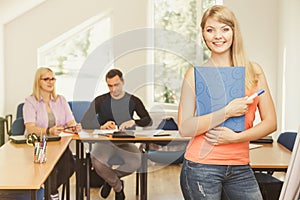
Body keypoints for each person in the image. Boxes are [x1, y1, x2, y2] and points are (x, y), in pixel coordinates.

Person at [178, 5, 276, 200]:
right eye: (210, 30)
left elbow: (271, 123)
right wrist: (227, 111)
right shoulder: (194, 75)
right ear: (203, 35)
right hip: (200, 167)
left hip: (240, 166)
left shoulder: (253, 71)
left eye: (225, 28)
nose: (218, 36)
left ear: (234, 32)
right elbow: (185, 127)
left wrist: (236, 138)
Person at [81, 68, 152, 200]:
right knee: (97, 162)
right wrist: (101, 126)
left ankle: (110, 180)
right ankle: (118, 187)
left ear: (123, 82)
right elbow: (85, 122)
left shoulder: (133, 100)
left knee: (136, 161)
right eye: (110, 86)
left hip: (125, 142)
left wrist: (133, 121)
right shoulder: (100, 100)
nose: (113, 89)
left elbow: (147, 120)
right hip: (104, 142)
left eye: (116, 85)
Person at [23, 67, 81, 200]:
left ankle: (49, 192)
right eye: (46, 79)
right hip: (38, 144)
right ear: (38, 82)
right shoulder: (30, 101)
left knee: (70, 167)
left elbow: (70, 120)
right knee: (51, 170)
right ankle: (51, 194)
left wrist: (74, 127)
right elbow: (30, 128)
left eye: (53, 78)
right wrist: (48, 131)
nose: (50, 82)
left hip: (58, 144)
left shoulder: (60, 100)